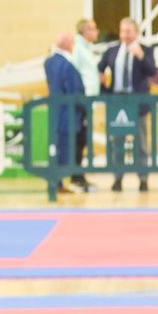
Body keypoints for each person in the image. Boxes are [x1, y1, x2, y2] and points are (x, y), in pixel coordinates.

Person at [98, 17, 156, 192]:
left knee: (141, 143)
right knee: (117, 142)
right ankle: (118, 178)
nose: (125, 35)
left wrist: (141, 56)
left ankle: (143, 178)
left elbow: (153, 70)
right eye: (122, 31)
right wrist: (103, 84)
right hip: (117, 102)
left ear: (136, 32)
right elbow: (100, 68)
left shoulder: (146, 49)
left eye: (128, 31)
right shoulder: (112, 50)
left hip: (137, 103)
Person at [42, 32, 85, 195]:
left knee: (56, 147)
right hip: (68, 113)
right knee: (64, 149)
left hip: (56, 112)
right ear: (66, 44)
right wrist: (83, 107)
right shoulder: (67, 65)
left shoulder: (49, 62)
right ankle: (56, 182)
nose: (73, 46)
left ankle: (56, 182)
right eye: (72, 43)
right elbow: (74, 91)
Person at [71, 19, 102, 190]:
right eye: (93, 29)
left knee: (83, 140)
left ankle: (80, 176)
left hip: (88, 102)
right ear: (84, 31)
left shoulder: (86, 48)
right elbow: (75, 73)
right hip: (81, 102)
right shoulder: (77, 48)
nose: (96, 31)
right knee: (78, 139)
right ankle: (76, 177)